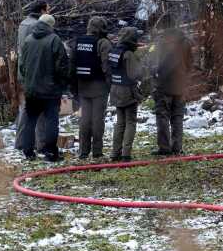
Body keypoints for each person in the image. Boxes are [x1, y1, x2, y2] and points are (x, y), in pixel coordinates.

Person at [17, 13, 71, 161]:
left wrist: (28, 82)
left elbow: (21, 66)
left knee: (30, 120)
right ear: (50, 26)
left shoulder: (28, 40)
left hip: (31, 90)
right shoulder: (54, 40)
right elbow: (62, 66)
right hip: (50, 91)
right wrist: (62, 84)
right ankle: (50, 152)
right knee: (51, 122)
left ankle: (28, 151)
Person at [152, 17, 193, 156]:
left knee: (162, 116)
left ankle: (164, 147)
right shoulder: (185, 42)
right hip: (180, 85)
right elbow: (190, 64)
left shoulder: (161, 42)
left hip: (163, 85)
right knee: (177, 117)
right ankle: (177, 147)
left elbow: (153, 63)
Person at [72, 16, 112, 159]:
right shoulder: (103, 43)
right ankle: (97, 152)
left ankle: (83, 151)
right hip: (99, 87)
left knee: (84, 120)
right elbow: (107, 66)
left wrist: (73, 88)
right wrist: (110, 85)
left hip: (82, 86)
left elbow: (72, 64)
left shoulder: (78, 41)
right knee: (97, 120)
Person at [14, 0, 49, 152]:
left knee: (26, 108)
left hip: (24, 72)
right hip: (35, 73)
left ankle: (21, 142)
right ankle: (41, 144)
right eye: (48, 9)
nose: (49, 12)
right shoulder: (37, 26)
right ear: (42, 11)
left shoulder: (23, 23)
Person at [109, 27, 145, 162]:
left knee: (120, 123)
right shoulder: (129, 54)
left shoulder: (114, 51)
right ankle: (126, 153)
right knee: (130, 121)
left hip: (115, 89)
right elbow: (134, 74)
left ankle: (114, 153)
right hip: (127, 91)